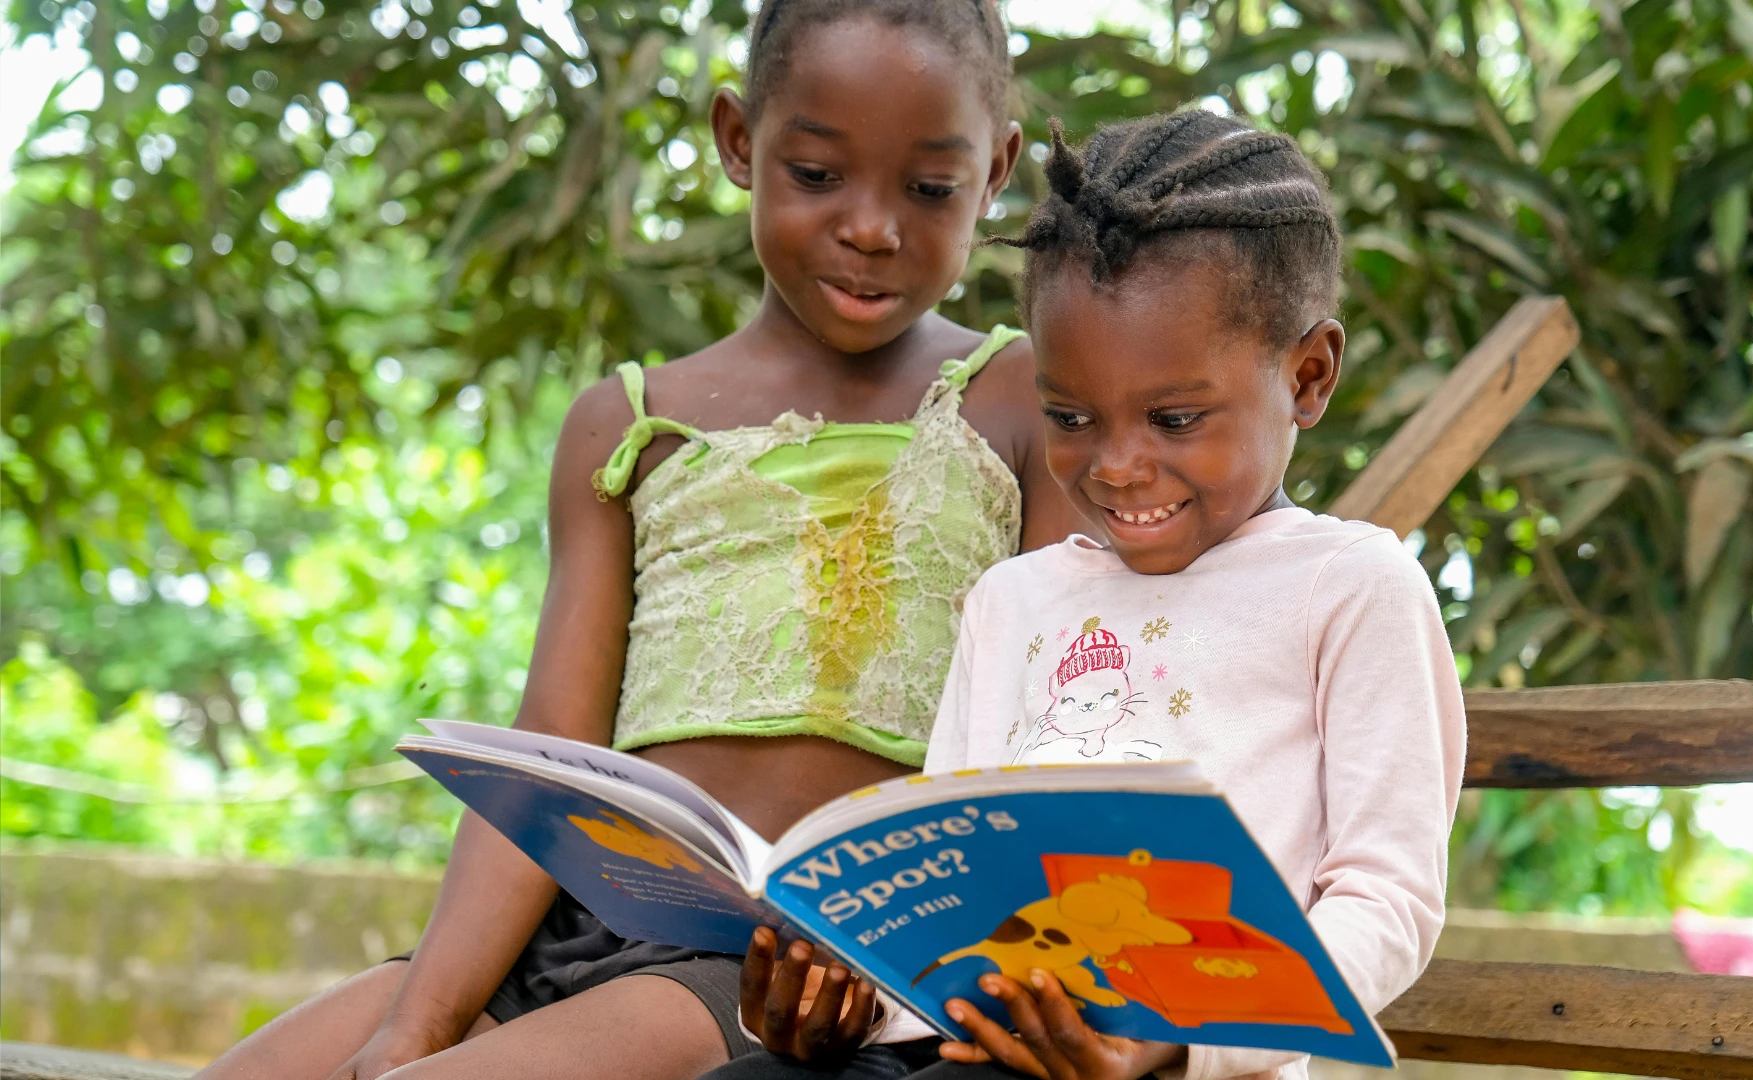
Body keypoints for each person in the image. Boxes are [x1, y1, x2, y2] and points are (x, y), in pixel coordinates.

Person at [195, 3, 1079, 1078]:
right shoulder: (626, 427)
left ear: (996, 174)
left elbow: (1066, 725)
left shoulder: (1026, 401)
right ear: (738, 142)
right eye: (816, 174)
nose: (872, 227)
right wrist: (413, 1027)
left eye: (930, 189)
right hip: (575, 936)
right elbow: (550, 748)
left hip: (773, 976)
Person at [722, 110, 1466, 1080]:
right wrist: (845, 1014)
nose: (1116, 467)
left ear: (1308, 374)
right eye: (1070, 416)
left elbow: (1386, 901)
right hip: (975, 1049)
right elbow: (947, 900)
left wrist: (1178, 1034)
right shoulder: (1015, 602)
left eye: (1175, 418)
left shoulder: (1351, 588)